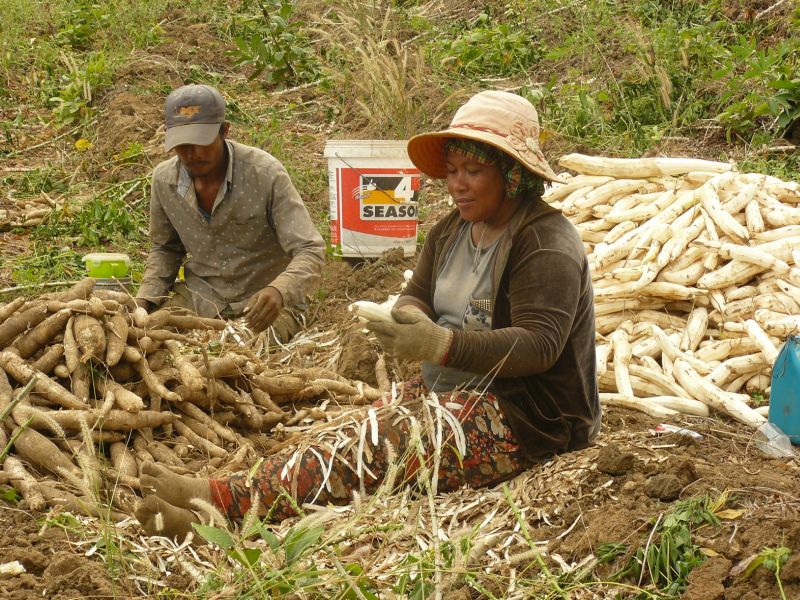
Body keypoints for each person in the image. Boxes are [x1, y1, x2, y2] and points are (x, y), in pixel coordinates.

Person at [135, 90, 600, 539]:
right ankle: (243, 491)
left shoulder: (543, 242)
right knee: (350, 429)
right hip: (455, 386)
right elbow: (415, 295)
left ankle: (224, 506)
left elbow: (540, 346)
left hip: (529, 418)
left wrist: (439, 344)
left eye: (473, 171)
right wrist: (408, 320)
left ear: (513, 174)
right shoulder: (453, 229)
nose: (456, 183)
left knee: (379, 446)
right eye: (453, 169)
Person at [135, 84, 325, 340]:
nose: (193, 153)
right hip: (201, 297)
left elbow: (310, 249)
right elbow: (165, 249)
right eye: (183, 145)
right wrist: (144, 302)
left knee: (245, 353)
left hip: (263, 303)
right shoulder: (164, 180)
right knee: (146, 340)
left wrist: (279, 291)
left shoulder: (265, 174)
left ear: (224, 130)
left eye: (202, 142)